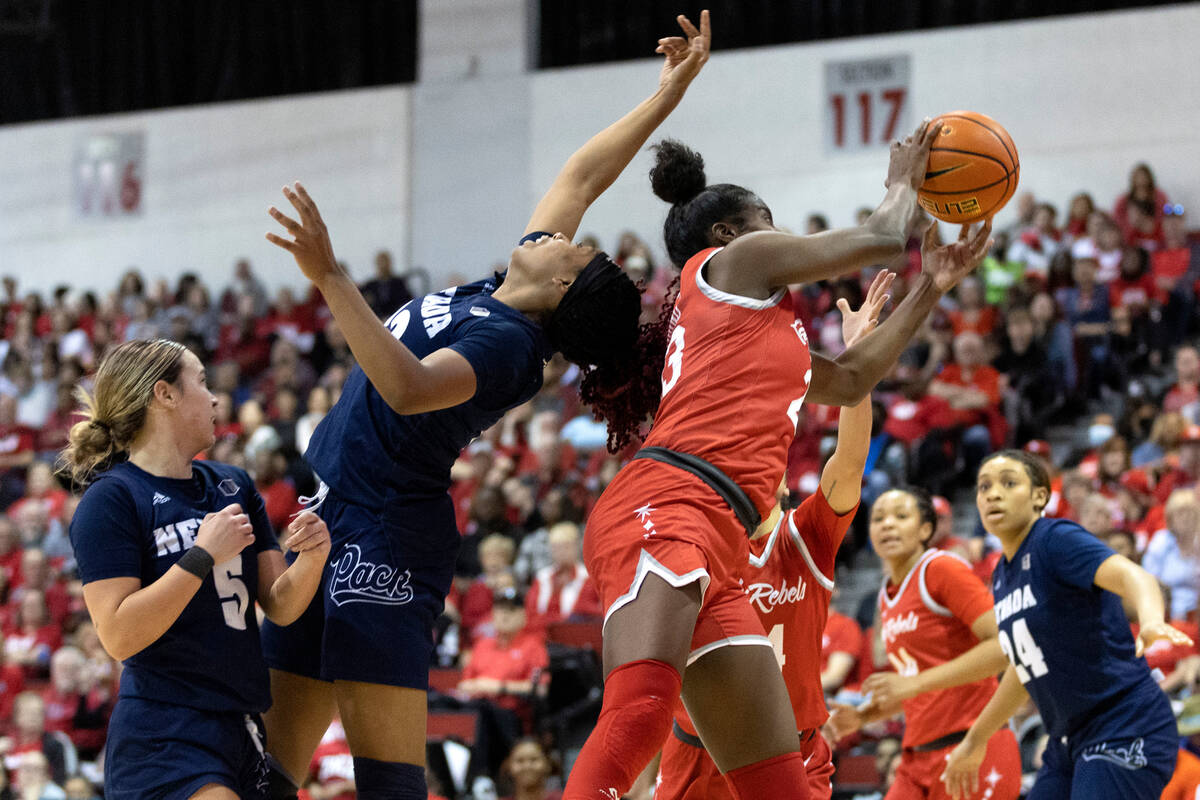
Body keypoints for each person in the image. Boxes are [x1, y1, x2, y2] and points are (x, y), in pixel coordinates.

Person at [258, 14, 713, 800]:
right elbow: (581, 175)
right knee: (265, 773)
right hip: (328, 510)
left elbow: (406, 385)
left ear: (562, 285)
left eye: (568, 247)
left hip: (389, 533)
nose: (552, 233)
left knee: (388, 779)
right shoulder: (506, 292)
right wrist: (666, 94)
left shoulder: (510, 348)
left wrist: (332, 277)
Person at [564, 118, 994, 798]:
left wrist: (931, 287)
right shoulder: (731, 267)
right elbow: (882, 238)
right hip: (668, 502)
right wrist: (902, 182)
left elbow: (852, 380)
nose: (782, 236)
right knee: (641, 710)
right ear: (730, 235)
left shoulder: (763, 329)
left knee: (779, 786)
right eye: (769, 222)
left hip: (720, 534)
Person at [61, 339, 331, 800]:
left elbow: (281, 605)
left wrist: (312, 555)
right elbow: (119, 635)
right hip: (165, 731)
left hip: (242, 722)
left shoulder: (233, 483)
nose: (214, 398)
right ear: (164, 395)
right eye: (202, 382)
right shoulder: (112, 499)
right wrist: (200, 556)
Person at [654, 278, 888, 800]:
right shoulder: (698, 544)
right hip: (699, 748)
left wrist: (858, 360)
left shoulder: (807, 536)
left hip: (793, 747)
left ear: (781, 478)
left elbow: (849, 462)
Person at [941, 450, 1193, 799]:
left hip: (1124, 723)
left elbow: (1134, 575)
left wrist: (1150, 619)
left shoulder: (1054, 539)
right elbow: (1025, 666)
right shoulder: (1002, 575)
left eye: (1008, 483)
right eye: (984, 487)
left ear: (1040, 496)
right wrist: (975, 739)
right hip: (1068, 740)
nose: (993, 494)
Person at [827, 486, 1021, 800]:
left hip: (971, 747)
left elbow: (1003, 645)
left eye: (901, 516)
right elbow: (921, 684)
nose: (887, 524)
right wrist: (863, 716)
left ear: (926, 529)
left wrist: (914, 684)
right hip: (917, 757)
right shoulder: (886, 594)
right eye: (878, 518)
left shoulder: (941, 569)